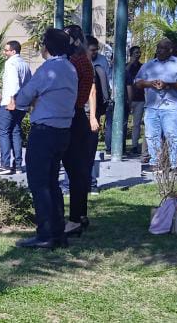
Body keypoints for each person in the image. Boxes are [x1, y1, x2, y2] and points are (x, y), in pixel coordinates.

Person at [15, 28, 79, 249]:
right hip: (63, 131)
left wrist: (24, 101)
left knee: (39, 183)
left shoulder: (48, 69)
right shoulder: (70, 67)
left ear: (48, 47)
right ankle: (57, 232)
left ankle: (45, 234)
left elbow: (24, 96)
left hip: (44, 130)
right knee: (53, 183)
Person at [61, 25, 99, 237]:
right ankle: (79, 215)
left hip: (73, 116)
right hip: (77, 116)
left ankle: (76, 218)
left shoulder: (75, 62)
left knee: (75, 171)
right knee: (78, 171)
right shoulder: (83, 60)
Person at [134, 40, 177, 171]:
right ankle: (156, 163)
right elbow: (137, 82)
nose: (159, 50)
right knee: (152, 135)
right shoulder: (148, 65)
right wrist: (150, 84)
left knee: (173, 135)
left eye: (163, 48)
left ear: (170, 50)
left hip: (170, 106)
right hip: (152, 106)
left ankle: (176, 164)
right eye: (158, 48)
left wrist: (168, 85)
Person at [0, 40, 32, 175]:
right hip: (22, 103)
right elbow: (29, 83)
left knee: (3, 132)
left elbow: (14, 83)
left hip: (10, 102)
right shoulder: (25, 64)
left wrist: (11, 99)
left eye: (6, 50)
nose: (4, 52)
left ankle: (5, 164)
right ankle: (18, 165)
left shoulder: (10, 63)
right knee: (15, 131)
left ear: (13, 51)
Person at [126, 46, 145, 157]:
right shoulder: (126, 66)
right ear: (131, 54)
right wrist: (130, 64)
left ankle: (134, 145)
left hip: (140, 98)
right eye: (135, 53)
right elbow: (124, 74)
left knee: (136, 124)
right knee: (124, 123)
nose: (137, 55)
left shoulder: (142, 67)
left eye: (139, 53)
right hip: (127, 99)